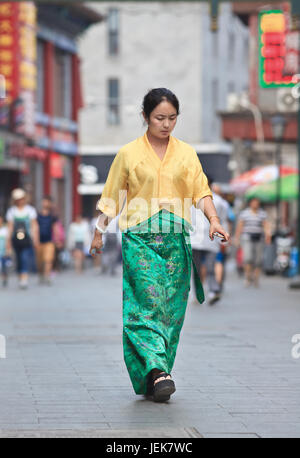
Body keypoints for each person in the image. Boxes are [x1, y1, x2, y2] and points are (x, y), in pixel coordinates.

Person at [89, 88, 230, 403]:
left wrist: (214, 220)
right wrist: (99, 229)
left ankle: (156, 374)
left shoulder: (187, 154)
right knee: (146, 306)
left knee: (170, 311)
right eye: (159, 118)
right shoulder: (128, 154)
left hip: (176, 241)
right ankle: (157, 368)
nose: (166, 124)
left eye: (172, 118)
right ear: (145, 117)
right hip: (140, 239)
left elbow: (201, 191)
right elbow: (113, 195)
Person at [190, 178, 230, 305]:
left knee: (210, 266)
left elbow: (222, 220)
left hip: (211, 239)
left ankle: (213, 290)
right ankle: (199, 293)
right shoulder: (190, 200)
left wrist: (225, 240)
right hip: (195, 239)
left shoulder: (219, 202)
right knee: (197, 269)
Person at [6, 188, 39, 289]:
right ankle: (20, 276)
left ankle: (24, 278)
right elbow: (10, 227)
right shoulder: (12, 211)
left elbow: (34, 225)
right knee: (18, 258)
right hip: (16, 239)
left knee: (25, 257)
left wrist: (36, 239)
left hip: (27, 238)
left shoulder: (30, 210)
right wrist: (8, 241)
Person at [234, 197, 272, 287]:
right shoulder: (245, 213)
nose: (255, 204)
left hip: (259, 238)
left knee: (258, 260)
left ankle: (256, 278)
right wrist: (237, 238)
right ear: (250, 203)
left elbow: (266, 225)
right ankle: (247, 276)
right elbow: (240, 226)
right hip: (247, 238)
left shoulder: (262, 214)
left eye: (257, 202)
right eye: (254, 202)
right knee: (247, 258)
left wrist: (268, 236)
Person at [36, 196, 58, 285]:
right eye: (44, 201)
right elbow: (35, 228)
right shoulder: (37, 215)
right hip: (39, 241)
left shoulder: (53, 216)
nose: (45, 204)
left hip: (49, 241)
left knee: (48, 259)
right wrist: (35, 240)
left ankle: (47, 276)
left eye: (47, 202)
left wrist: (57, 239)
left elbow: (56, 228)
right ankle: (41, 274)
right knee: (40, 261)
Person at [0, 215, 9, 287]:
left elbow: (8, 241)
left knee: (4, 267)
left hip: (3, 251)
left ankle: (4, 278)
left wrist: (8, 250)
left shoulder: (5, 230)